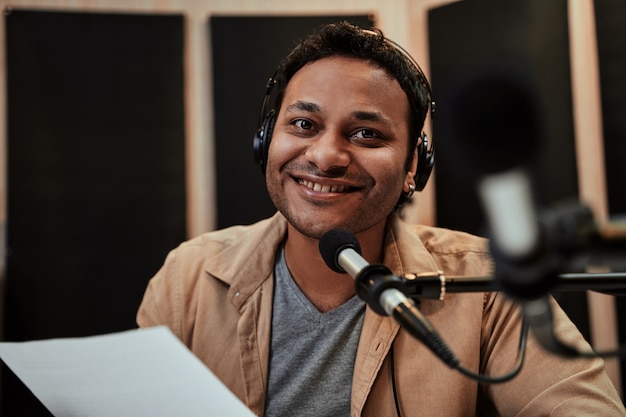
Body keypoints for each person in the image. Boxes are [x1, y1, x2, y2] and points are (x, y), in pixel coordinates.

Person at [137, 21, 625, 416]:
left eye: (366, 134)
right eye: (303, 125)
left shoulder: (484, 284)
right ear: (266, 141)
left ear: (414, 165)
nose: (326, 156)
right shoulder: (189, 279)